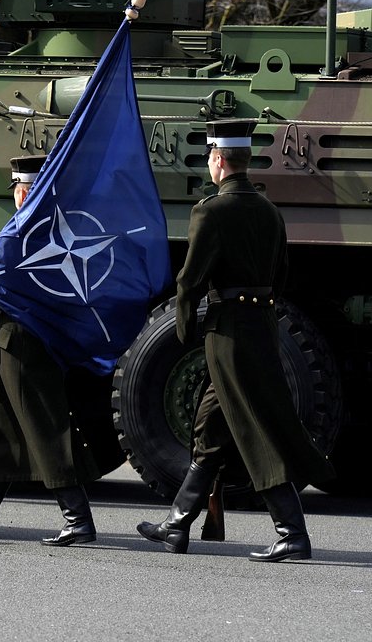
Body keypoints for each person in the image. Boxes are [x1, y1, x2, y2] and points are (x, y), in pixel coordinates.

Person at [137, 119, 333, 561]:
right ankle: (178, 523)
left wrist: (185, 330)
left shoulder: (211, 210)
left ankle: (291, 532)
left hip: (228, 331)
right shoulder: (269, 210)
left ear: (219, 160)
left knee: (253, 427)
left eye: (210, 156)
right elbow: (281, 273)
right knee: (211, 424)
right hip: (261, 323)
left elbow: (190, 280)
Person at [0, 155, 102, 547]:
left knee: (43, 429)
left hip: (20, 344)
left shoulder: (22, 230)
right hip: (41, 341)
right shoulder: (58, 229)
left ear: (23, 190)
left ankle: (77, 517)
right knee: (8, 430)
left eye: (15, 187)